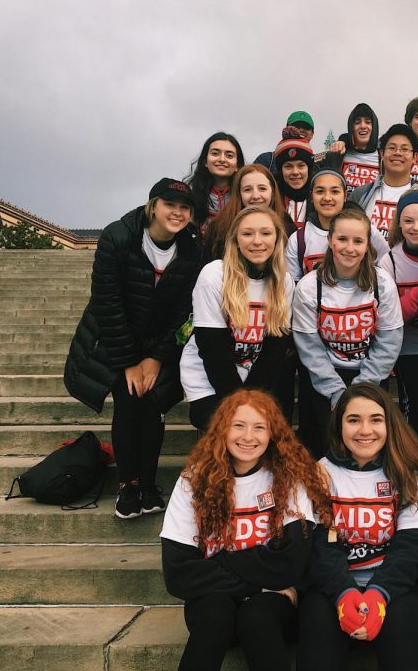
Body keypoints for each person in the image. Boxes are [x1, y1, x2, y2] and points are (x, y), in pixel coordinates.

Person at [161, 388, 333, 671]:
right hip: (216, 598)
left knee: (257, 615)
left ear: (272, 434)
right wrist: (256, 584)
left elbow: (291, 563)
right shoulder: (193, 480)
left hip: (273, 607)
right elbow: (178, 573)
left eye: (259, 428)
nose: (248, 437)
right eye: (238, 426)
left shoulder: (288, 478)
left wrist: (220, 562)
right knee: (216, 613)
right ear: (222, 430)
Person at [64, 178, 203, 519]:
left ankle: (149, 483)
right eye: (170, 204)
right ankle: (128, 484)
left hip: (159, 342)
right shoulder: (119, 236)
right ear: (153, 206)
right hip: (114, 336)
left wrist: (156, 358)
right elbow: (107, 303)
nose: (178, 213)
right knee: (128, 401)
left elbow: (184, 309)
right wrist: (129, 362)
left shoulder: (192, 247)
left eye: (185, 208)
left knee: (153, 404)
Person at [297, 383, 418, 671]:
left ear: (390, 424)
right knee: (317, 628)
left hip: (398, 587)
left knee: (402, 628)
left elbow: (413, 548)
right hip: (333, 585)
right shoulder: (318, 473)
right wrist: (344, 593)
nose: (365, 430)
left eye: (375, 419)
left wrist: (378, 594)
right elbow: (320, 547)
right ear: (339, 426)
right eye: (353, 420)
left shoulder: (413, 473)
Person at [292, 207, 403, 457]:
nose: (349, 248)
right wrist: (335, 391)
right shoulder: (310, 286)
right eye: (342, 239)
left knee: (368, 446)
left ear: (367, 245)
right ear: (330, 241)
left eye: (358, 241)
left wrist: (361, 388)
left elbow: (389, 341)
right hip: (325, 376)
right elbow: (309, 347)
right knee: (326, 446)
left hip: (370, 373)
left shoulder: (382, 283)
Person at [180, 206, 294, 431]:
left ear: (278, 238)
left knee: (258, 426)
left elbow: (275, 347)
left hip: (253, 372)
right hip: (209, 375)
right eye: (248, 233)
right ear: (235, 239)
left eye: (266, 233)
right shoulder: (214, 275)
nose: (257, 241)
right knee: (226, 425)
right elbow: (212, 348)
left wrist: (251, 399)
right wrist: (239, 403)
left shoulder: (284, 281)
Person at [377, 189, 418, 447]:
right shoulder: (389, 261)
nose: (416, 227)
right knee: (413, 406)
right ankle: (414, 457)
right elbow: (390, 315)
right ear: (399, 224)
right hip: (407, 346)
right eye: (409, 221)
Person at [286, 170, 389, 283]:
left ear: (345, 196)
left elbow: (385, 269)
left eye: (335, 191)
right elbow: (294, 283)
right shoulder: (298, 240)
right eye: (320, 191)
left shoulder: (367, 231)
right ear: (311, 196)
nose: (327, 198)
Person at [204, 164, 289, 262]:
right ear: (238, 193)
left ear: (272, 192)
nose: (256, 196)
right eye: (247, 190)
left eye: (262, 188)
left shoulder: (286, 224)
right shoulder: (219, 227)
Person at [350, 124, 418, 240]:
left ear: (414, 157)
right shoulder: (360, 194)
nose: (397, 153)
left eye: (405, 149)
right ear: (381, 153)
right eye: (392, 148)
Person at [185, 133, 244, 233]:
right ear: (205, 161)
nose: (222, 159)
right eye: (215, 153)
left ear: (237, 165)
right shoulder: (189, 195)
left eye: (229, 155)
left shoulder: (245, 195)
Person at [327, 103, 381, 194]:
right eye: (357, 122)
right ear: (351, 128)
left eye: (368, 122)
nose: (363, 126)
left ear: (374, 127)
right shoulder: (339, 156)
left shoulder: (384, 159)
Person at [274, 128, 316, 230]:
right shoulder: (271, 197)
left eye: (301, 166)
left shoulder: (319, 198)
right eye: (288, 166)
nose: (295, 172)